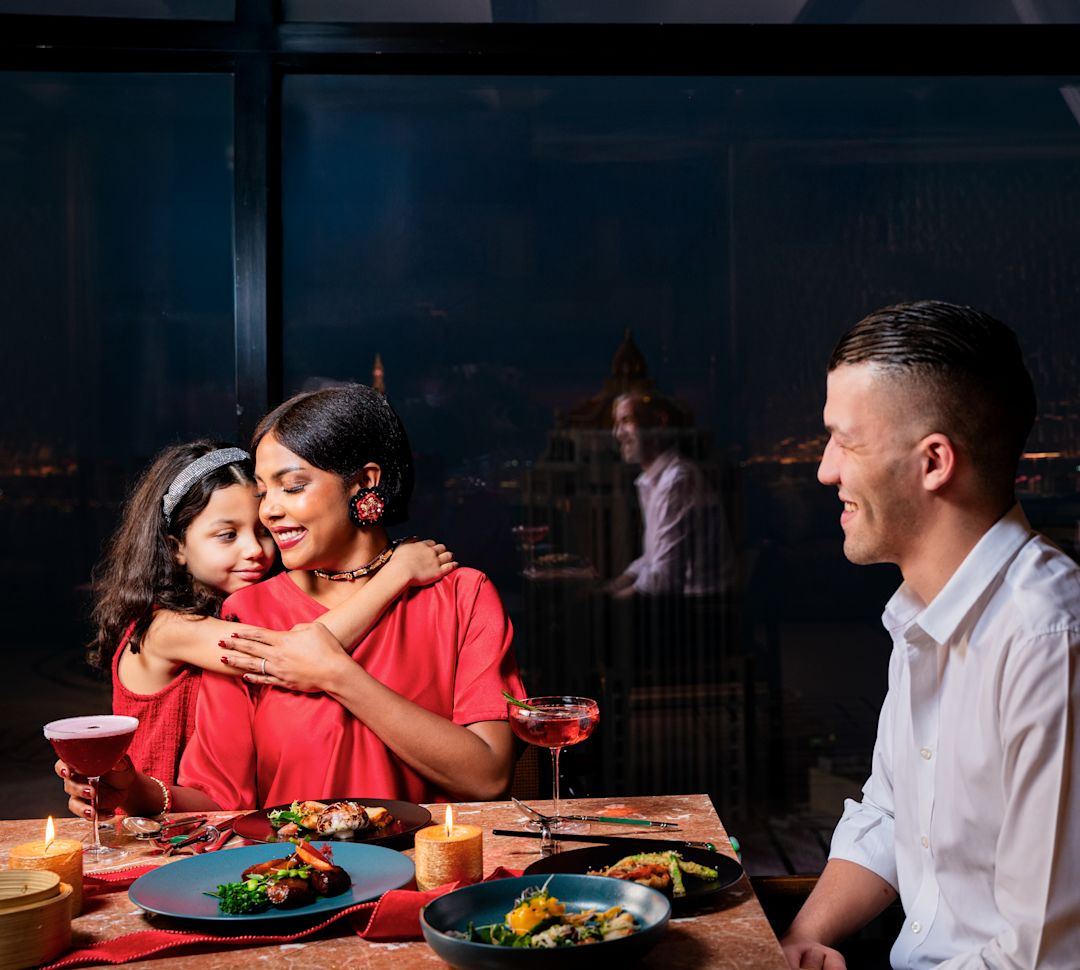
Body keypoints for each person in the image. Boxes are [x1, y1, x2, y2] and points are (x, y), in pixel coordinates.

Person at [781, 301, 1080, 969]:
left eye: (845, 441)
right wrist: (800, 942)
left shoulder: (1047, 639)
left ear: (934, 461)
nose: (826, 470)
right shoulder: (923, 610)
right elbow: (891, 817)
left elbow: (1045, 957)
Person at [56, 440, 456, 821]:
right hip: (147, 818)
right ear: (176, 547)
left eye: (262, 531)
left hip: (208, 817)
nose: (254, 550)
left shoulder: (237, 610)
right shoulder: (167, 627)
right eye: (227, 535)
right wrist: (395, 575)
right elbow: (297, 654)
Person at [174, 383, 524, 809]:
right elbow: (219, 797)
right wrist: (139, 793)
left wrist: (339, 675)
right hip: (296, 869)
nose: (269, 511)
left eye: (293, 486)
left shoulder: (462, 596)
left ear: (363, 482)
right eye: (264, 492)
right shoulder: (247, 613)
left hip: (432, 870)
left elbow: (487, 779)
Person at [606, 391, 734, 597]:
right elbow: (651, 559)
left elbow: (665, 578)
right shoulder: (653, 480)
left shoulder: (678, 480)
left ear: (659, 422)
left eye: (626, 420)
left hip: (702, 608)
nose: (617, 433)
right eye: (616, 424)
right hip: (682, 604)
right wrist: (610, 588)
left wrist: (606, 604)